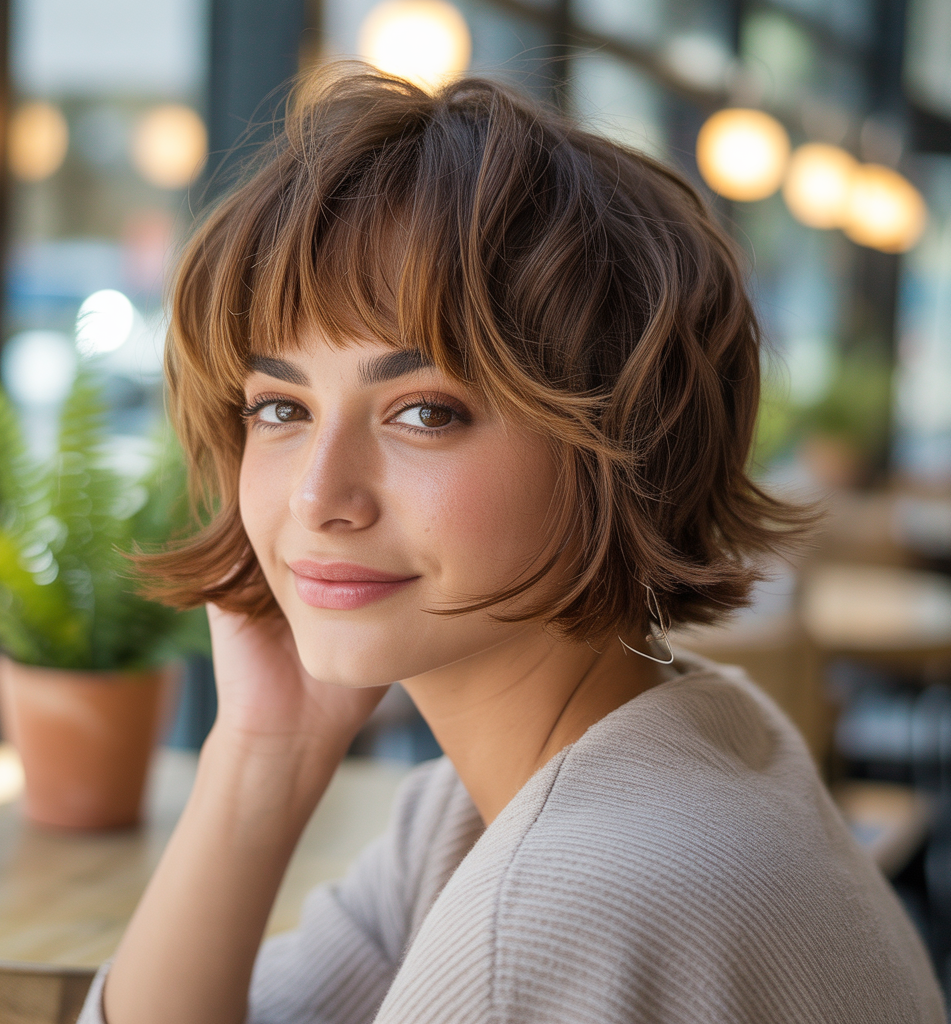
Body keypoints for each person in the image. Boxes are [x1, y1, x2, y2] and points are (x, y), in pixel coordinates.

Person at [78, 65, 945, 1024]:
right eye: (282, 408)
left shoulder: (555, 917)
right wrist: (263, 752)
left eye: (424, 412)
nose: (319, 498)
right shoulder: (657, 751)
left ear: (620, 445)